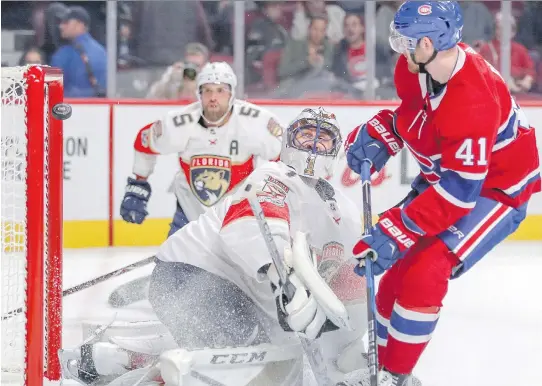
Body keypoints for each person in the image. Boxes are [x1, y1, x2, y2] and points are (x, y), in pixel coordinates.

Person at [59, 108, 370, 385]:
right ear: (289, 142)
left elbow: (351, 278)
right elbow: (251, 227)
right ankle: (156, 375)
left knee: (275, 355)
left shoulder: (343, 212)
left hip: (240, 295)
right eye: (305, 135)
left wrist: (354, 342)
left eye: (324, 138)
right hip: (189, 277)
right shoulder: (273, 177)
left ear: (336, 149)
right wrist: (284, 282)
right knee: (248, 358)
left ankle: (114, 358)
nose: (314, 144)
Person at [341, 2, 541, 386]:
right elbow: (417, 115)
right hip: (451, 175)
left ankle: (395, 376)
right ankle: (378, 360)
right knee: (397, 265)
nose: (398, 47)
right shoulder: (413, 66)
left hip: (497, 187)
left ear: (431, 43)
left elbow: (459, 193)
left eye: (407, 39)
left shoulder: (473, 97)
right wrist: (389, 130)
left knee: (428, 265)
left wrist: (399, 227)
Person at [110, 62, 284, 307]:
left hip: (235, 213)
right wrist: (138, 186)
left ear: (232, 93)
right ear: (198, 93)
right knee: (173, 274)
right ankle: (163, 287)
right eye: (207, 91)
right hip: (189, 210)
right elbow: (144, 142)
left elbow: (283, 154)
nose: (213, 98)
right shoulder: (179, 123)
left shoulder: (255, 122)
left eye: (220, 90)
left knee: (243, 272)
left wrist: (277, 193)